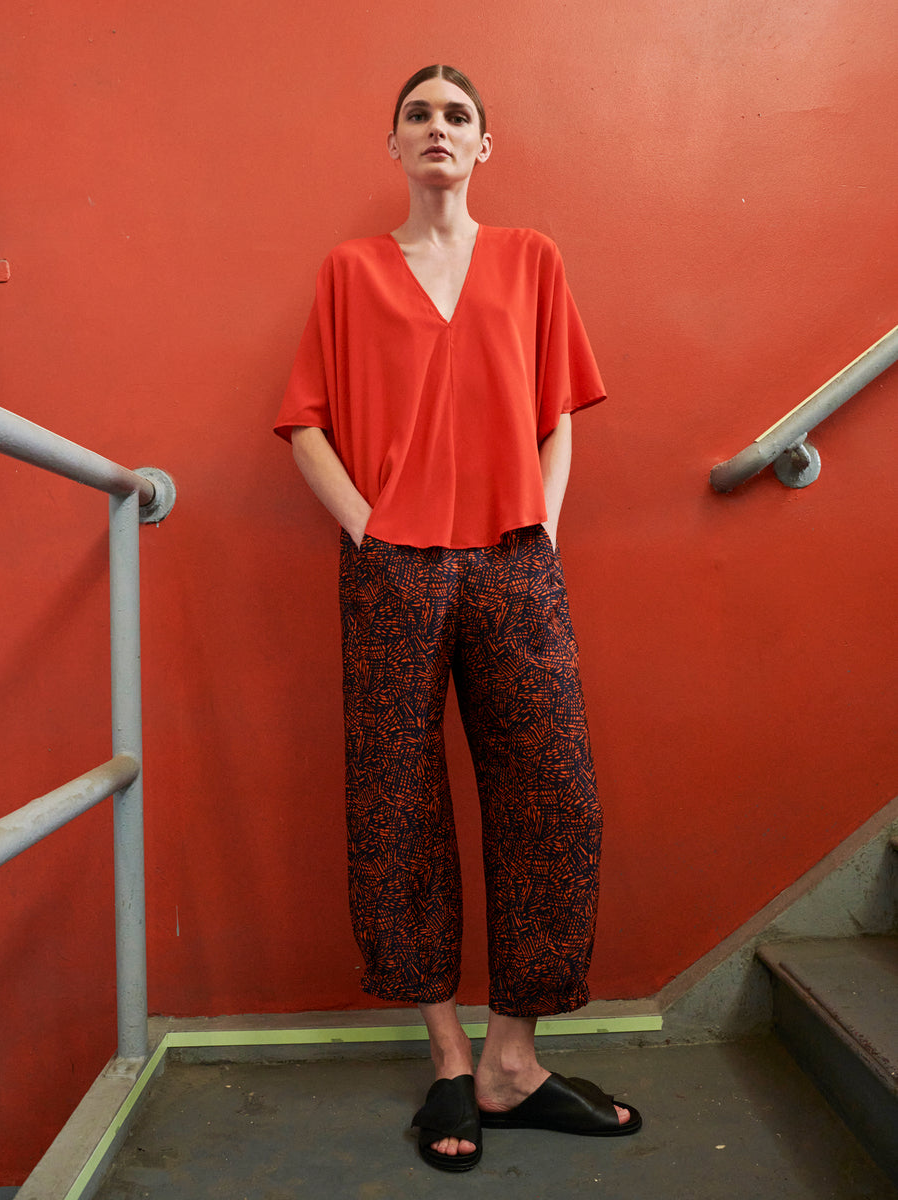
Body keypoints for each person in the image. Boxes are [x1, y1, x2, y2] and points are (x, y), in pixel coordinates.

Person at [274, 64, 641, 1172]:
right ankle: (447, 1061)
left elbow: (559, 414)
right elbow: (304, 425)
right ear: (394, 144)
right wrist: (367, 530)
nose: (439, 129)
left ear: (486, 147)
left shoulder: (532, 260)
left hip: (512, 559)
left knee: (554, 795)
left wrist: (544, 526)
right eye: (419, 115)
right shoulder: (349, 272)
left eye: (458, 116)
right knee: (396, 800)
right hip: (392, 568)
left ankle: (513, 1063)